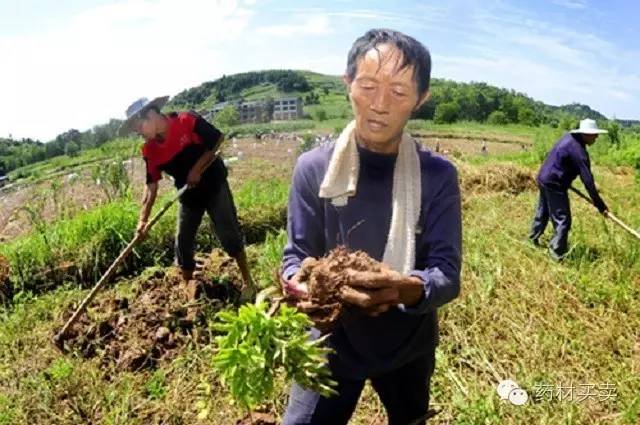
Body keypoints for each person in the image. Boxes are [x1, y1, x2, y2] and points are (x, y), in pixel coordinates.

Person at [280, 29, 462, 425]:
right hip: (329, 343)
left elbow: (447, 275)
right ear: (348, 85)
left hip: (407, 344)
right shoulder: (314, 169)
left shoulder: (437, 176)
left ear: (421, 99)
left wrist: (403, 287)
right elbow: (296, 255)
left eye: (398, 92)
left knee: (410, 418)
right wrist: (299, 284)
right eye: (367, 85)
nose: (380, 104)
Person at [119, 97, 255, 301]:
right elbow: (151, 186)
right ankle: (188, 289)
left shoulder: (186, 121)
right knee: (182, 241)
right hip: (187, 192)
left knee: (228, 231)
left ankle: (248, 281)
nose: (139, 133)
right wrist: (142, 220)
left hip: (213, 183)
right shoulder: (149, 150)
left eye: (139, 127)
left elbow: (217, 139)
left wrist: (197, 168)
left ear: (152, 115)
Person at [529, 118, 609, 260]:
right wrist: (600, 204)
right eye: (594, 134)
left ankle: (532, 238)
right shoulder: (579, 152)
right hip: (554, 183)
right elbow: (588, 181)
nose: (596, 137)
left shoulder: (568, 138)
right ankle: (556, 253)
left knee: (543, 211)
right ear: (586, 134)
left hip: (543, 177)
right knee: (563, 220)